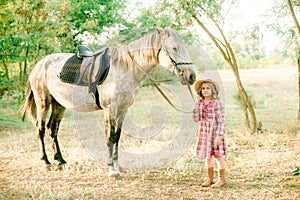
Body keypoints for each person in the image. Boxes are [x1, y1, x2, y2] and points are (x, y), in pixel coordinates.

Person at [192, 79, 226, 188]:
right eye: (203, 89)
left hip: (214, 132)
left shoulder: (216, 103)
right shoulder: (200, 103)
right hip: (204, 132)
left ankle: (221, 179)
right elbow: (196, 119)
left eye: (208, 88)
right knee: (208, 157)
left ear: (213, 90)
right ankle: (210, 178)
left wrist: (219, 135)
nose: (205, 90)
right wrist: (195, 110)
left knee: (218, 156)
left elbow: (221, 120)